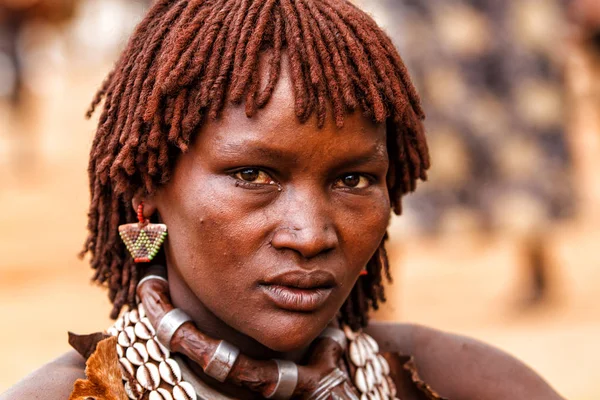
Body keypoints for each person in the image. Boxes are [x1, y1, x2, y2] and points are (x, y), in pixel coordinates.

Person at [1, 0, 565, 399]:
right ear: (148, 187)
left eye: (352, 180)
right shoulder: (76, 395)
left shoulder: (460, 382)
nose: (312, 234)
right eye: (254, 174)